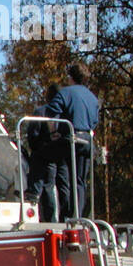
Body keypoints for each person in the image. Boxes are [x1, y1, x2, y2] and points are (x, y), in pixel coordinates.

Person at [46, 63, 100, 219]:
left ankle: (65, 213)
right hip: (87, 141)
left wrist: (54, 132)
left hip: (70, 140)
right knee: (80, 181)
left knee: (61, 176)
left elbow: (51, 113)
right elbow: (95, 122)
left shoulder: (66, 93)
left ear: (70, 77)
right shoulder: (92, 98)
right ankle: (79, 215)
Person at [25, 84, 64, 221]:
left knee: (35, 187)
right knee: (49, 186)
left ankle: (31, 214)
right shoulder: (62, 114)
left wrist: (35, 148)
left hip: (40, 154)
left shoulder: (40, 112)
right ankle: (51, 219)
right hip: (54, 156)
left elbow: (32, 135)